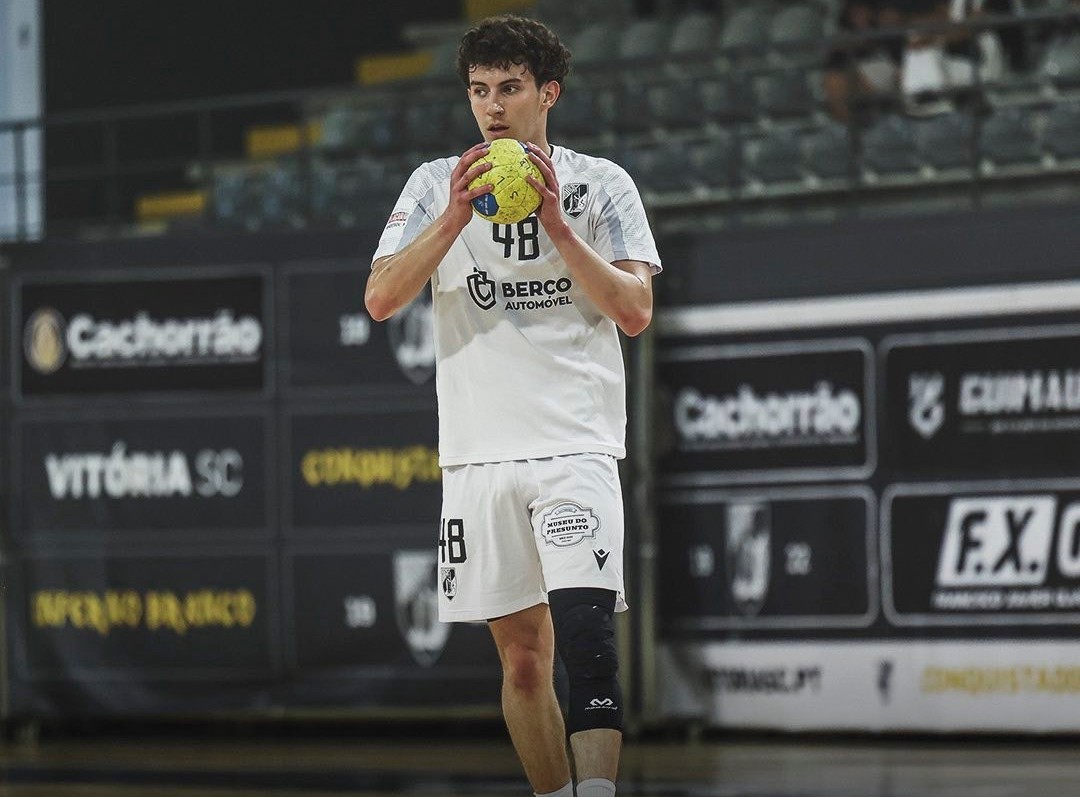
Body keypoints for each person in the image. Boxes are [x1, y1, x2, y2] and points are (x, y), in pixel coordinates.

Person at [365, 14, 661, 797]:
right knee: (524, 662)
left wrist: (558, 224)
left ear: (548, 93)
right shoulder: (435, 184)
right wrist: (453, 218)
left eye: (509, 88)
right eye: (478, 90)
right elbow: (381, 297)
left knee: (589, 642)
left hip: (575, 445)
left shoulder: (602, 184)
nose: (492, 107)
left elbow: (635, 309)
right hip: (479, 454)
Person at [823, 0, 905, 123]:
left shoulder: (891, 41)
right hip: (863, 111)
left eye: (865, 11)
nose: (862, 16)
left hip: (897, 107)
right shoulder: (841, 51)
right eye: (856, 13)